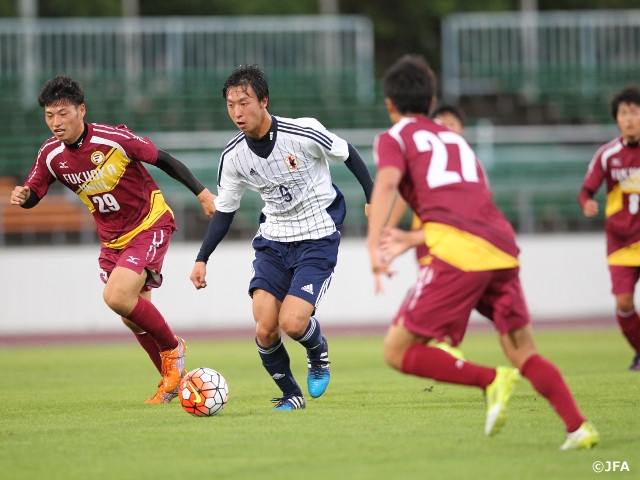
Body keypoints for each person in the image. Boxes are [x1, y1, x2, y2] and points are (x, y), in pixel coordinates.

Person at [366, 54, 598, 450]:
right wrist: (414, 239)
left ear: (389, 103)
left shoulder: (395, 137)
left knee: (397, 350)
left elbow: (386, 183)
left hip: (460, 253)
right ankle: (579, 428)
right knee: (522, 349)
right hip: (501, 246)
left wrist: (374, 245)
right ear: (431, 97)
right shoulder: (455, 138)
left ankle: (490, 380)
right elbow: (470, 204)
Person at [10, 74, 217, 404]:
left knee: (117, 296)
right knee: (129, 314)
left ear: (81, 110)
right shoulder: (50, 154)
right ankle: (172, 382)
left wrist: (203, 194)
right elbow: (36, 189)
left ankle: (173, 349)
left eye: (63, 113)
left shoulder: (113, 139)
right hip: (112, 240)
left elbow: (162, 159)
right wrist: (26, 197)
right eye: (49, 115)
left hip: (149, 223)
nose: (55, 122)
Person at [189, 64, 373, 410]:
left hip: (317, 235)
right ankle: (292, 395)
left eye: (244, 103)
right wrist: (202, 258)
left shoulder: (302, 132)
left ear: (264, 101)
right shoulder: (233, 156)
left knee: (292, 322)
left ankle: (318, 353)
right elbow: (225, 210)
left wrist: (372, 196)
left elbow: (348, 153)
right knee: (265, 329)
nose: (237, 112)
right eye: (230, 105)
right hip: (273, 241)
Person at [579, 86, 640, 371]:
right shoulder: (607, 154)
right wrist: (587, 202)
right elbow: (585, 191)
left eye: (635, 112)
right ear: (616, 118)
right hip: (620, 241)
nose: (629, 118)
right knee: (624, 303)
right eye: (623, 113)